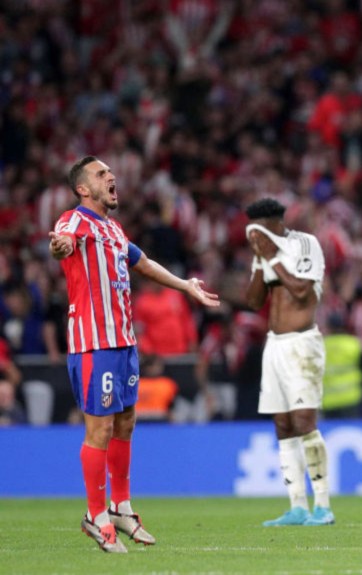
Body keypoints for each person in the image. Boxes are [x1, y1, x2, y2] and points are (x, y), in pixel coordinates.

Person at [49, 156, 220, 553]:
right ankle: (95, 515)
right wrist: (60, 248)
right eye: (101, 174)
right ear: (83, 189)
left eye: (111, 171)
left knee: (126, 421)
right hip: (94, 342)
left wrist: (185, 286)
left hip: (123, 341)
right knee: (100, 429)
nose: (111, 176)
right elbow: (62, 243)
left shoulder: (112, 229)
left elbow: (142, 263)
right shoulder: (74, 221)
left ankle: (120, 506)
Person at [245, 198, 334, 527]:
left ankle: (322, 506)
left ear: (273, 224)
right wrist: (258, 262)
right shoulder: (263, 252)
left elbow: (300, 291)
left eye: (257, 227)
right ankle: (297, 506)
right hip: (274, 346)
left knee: (303, 421)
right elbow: (253, 302)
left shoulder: (304, 243)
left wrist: (271, 257)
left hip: (302, 344)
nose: (252, 233)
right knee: (282, 425)